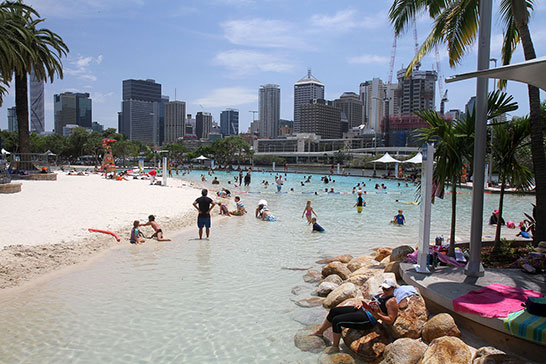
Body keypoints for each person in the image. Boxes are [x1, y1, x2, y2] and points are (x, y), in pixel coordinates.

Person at [310, 279, 400, 353]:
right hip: (363, 310)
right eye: (383, 288)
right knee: (334, 311)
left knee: (337, 321)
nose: (384, 290)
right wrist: (363, 304)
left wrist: (377, 315)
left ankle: (335, 347)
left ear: (393, 288)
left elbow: (390, 320)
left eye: (387, 289)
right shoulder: (381, 295)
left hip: (368, 319)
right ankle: (320, 332)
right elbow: (372, 303)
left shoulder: (391, 301)